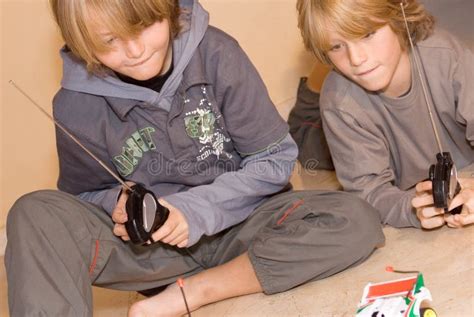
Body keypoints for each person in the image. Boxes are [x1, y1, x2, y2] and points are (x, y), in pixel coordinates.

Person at [5, 0, 385, 316]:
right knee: (32, 214)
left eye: (143, 26)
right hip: (152, 252)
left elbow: (275, 160)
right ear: (82, 43)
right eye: (109, 41)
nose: (135, 50)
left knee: (355, 219)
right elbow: (83, 198)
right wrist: (115, 203)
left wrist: (196, 210)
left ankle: (195, 293)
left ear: (168, 8)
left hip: (244, 226)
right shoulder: (74, 104)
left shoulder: (218, 54)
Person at [296, 0, 474, 230]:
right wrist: (412, 208)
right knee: (309, 144)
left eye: (367, 34)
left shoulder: (447, 55)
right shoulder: (339, 103)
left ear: (398, 17)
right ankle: (307, 97)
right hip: (319, 124)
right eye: (336, 46)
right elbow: (369, 190)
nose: (357, 59)